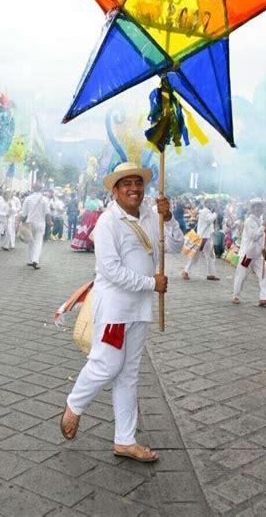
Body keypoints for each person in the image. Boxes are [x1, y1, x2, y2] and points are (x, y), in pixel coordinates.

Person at [61, 162, 183, 461]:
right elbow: (110, 271)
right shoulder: (107, 222)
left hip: (140, 310)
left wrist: (170, 219)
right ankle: (74, 404)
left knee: (128, 374)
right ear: (115, 190)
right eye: (126, 184)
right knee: (106, 365)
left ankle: (124, 440)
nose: (134, 188)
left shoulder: (154, 217)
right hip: (115, 309)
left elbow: (177, 246)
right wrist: (150, 283)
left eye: (138, 183)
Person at [232, 198, 266, 307]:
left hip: (258, 254)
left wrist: (264, 248)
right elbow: (254, 236)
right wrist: (263, 227)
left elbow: (262, 236)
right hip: (248, 254)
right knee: (242, 275)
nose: (258, 209)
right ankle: (236, 295)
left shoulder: (260, 220)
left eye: (260, 207)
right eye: (256, 207)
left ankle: (265, 298)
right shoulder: (249, 221)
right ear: (252, 209)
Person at [182, 200, 219, 281]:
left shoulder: (208, 211)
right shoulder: (205, 211)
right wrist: (216, 213)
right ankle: (186, 271)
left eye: (211, 203)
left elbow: (210, 221)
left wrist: (216, 212)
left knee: (210, 256)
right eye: (210, 203)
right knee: (196, 256)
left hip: (207, 237)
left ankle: (211, 274)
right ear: (206, 204)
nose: (211, 204)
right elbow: (210, 219)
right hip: (203, 237)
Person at [21, 182, 51, 269]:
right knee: (38, 242)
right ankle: (35, 260)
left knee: (30, 241)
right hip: (40, 223)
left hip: (30, 222)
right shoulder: (45, 199)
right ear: (41, 189)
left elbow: (23, 214)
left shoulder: (28, 199)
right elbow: (47, 213)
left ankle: (30, 260)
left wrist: (20, 222)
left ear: (33, 188)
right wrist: (50, 222)